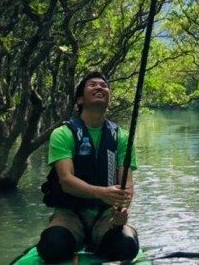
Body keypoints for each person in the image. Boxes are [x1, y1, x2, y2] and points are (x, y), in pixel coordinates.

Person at [37, 71, 139, 263]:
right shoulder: (63, 133)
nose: (99, 87)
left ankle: (98, 242)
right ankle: (73, 243)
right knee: (53, 246)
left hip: (106, 214)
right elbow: (66, 181)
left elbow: (127, 184)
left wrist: (123, 208)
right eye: (92, 85)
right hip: (70, 212)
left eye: (103, 85)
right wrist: (101, 192)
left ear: (109, 98)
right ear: (80, 99)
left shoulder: (123, 137)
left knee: (127, 246)